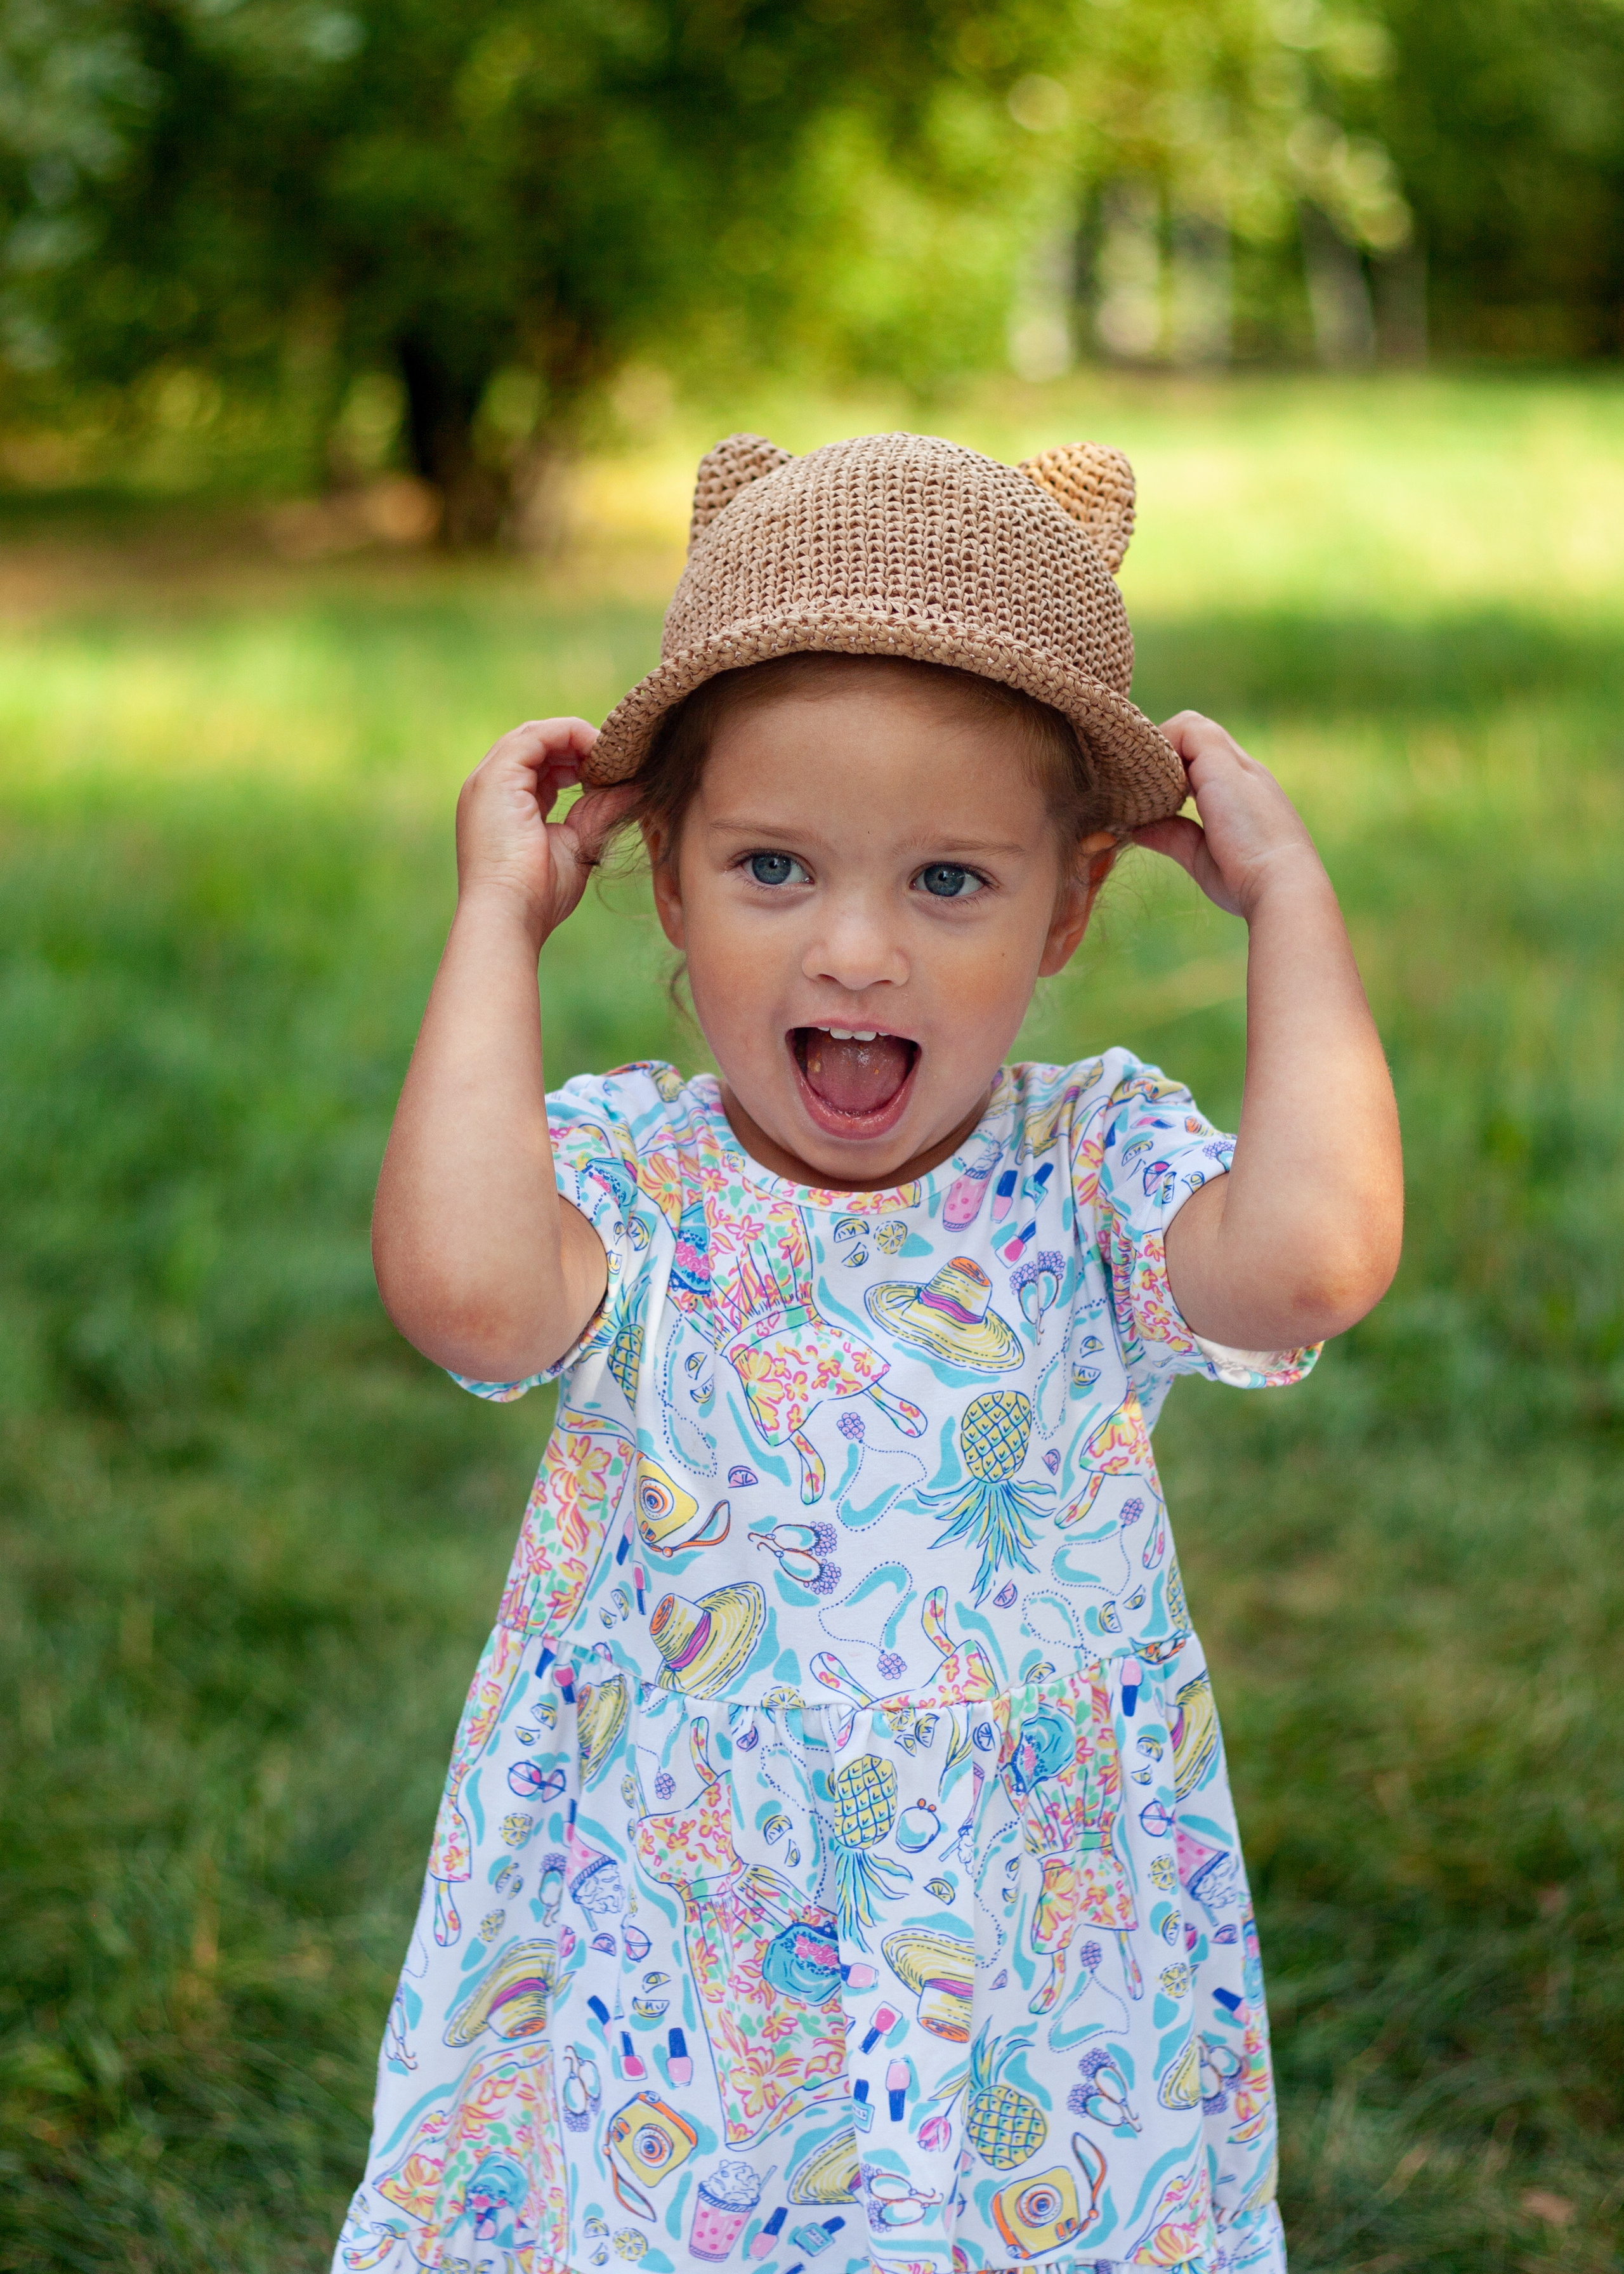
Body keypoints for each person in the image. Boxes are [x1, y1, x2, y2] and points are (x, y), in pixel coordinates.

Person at [334, 431, 1401, 2274]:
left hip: (1022, 1950)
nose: (855, 951)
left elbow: (1308, 1265)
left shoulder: (1088, 1167)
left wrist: (1292, 906)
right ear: (663, 884)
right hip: (682, 1944)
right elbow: (466, 1300)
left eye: (950, 886)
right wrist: (493, 930)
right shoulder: (630, 1176)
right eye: (772, 867)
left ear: (1070, 908)